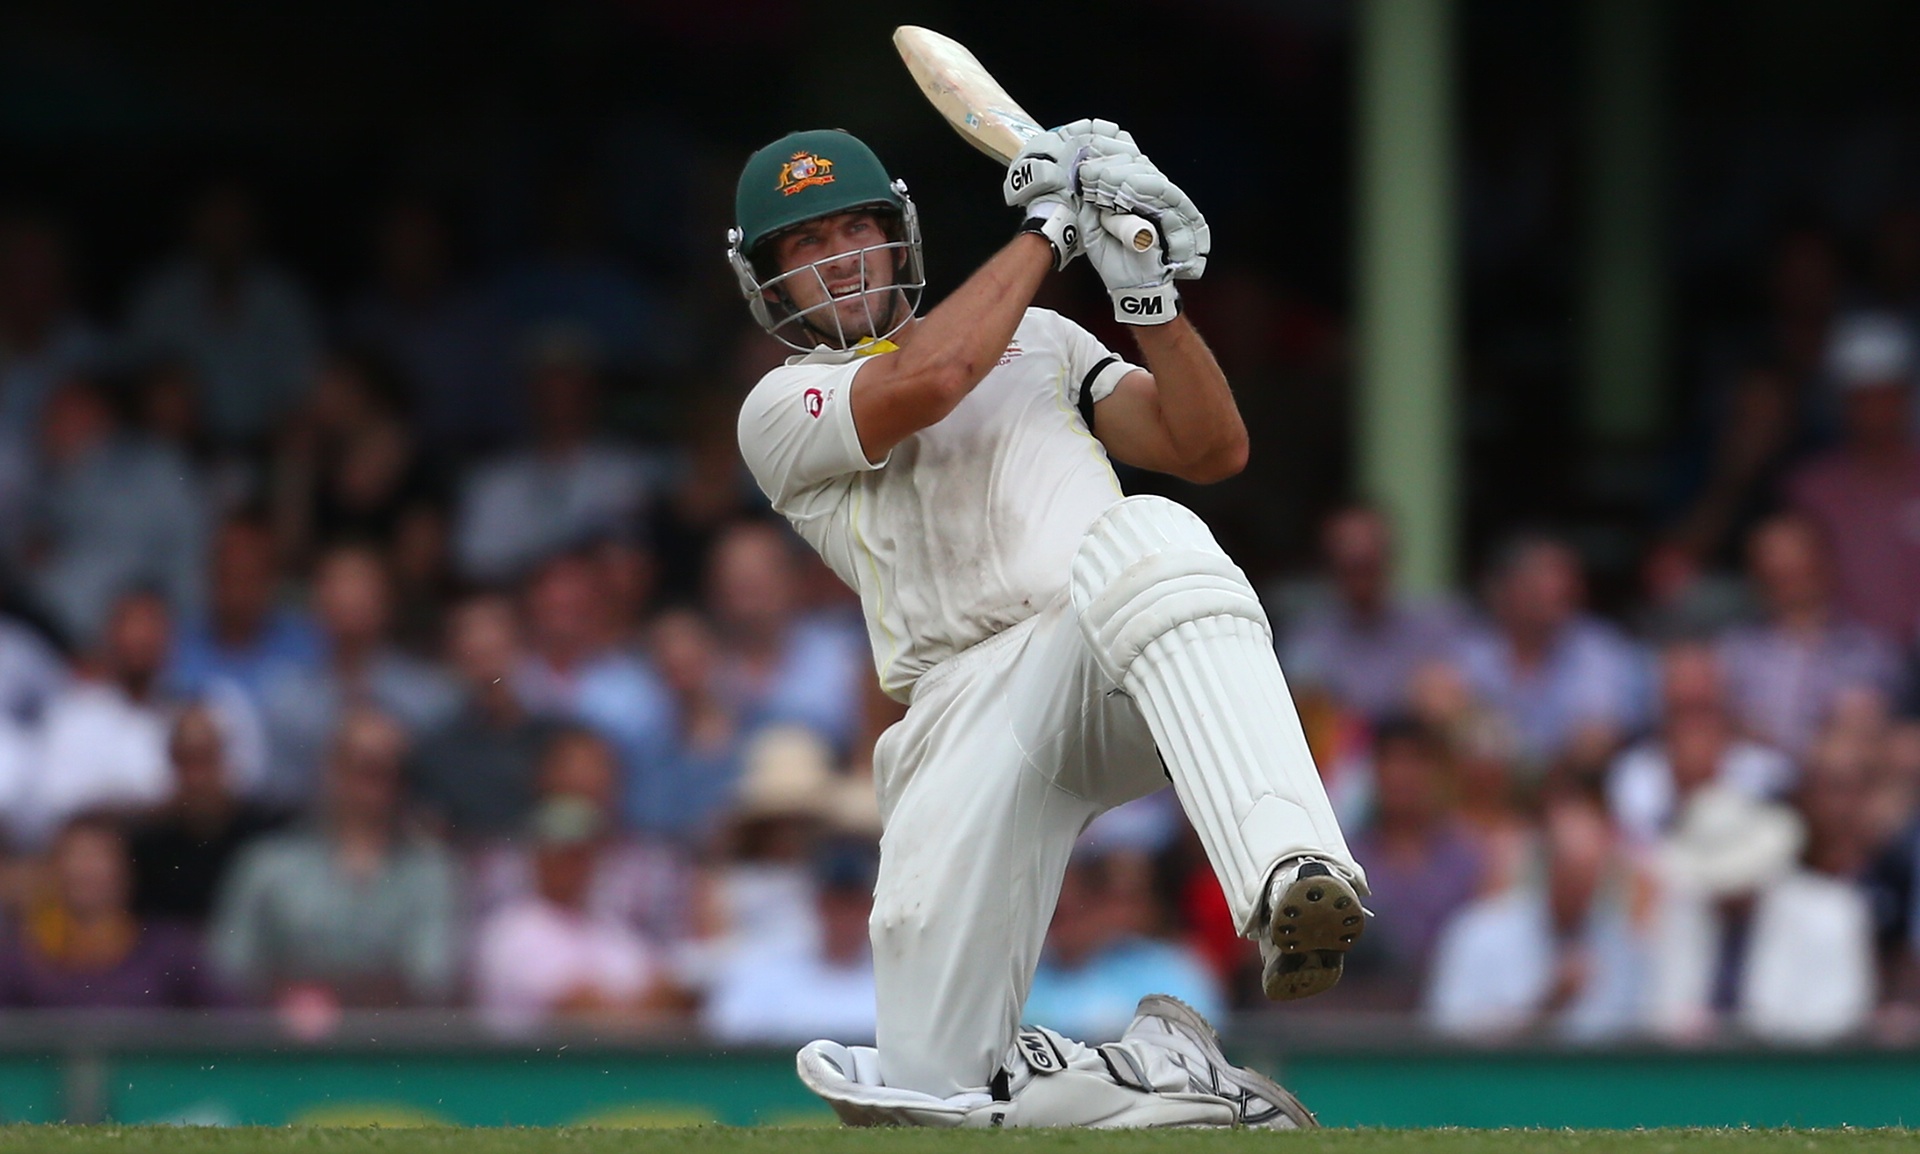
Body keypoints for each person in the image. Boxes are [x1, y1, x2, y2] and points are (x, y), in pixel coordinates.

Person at [730, 124, 1335, 1128]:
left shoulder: (1045, 340)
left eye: (855, 228)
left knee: (1153, 529)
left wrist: (1148, 297)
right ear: (771, 283)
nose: (839, 257)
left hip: (1101, 649)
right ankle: (1168, 1076)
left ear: (898, 236)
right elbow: (929, 382)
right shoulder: (780, 407)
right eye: (806, 245)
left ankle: (1291, 872)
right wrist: (1057, 228)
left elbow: (1209, 445)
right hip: (955, 714)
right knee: (935, 1092)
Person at [210, 708, 460, 1009]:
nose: (379, 785)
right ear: (330, 769)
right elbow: (228, 974)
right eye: (365, 767)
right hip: (278, 1045)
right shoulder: (264, 865)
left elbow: (431, 979)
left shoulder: (432, 871)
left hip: (392, 1046)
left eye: (393, 771)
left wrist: (322, 997)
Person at [1425, 792, 1649, 1041]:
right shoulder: (1479, 933)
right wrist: (1546, 1007)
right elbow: (1448, 1036)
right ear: (1549, 868)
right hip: (1496, 1078)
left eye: (1591, 878)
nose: (1581, 892)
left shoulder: (1621, 946)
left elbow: (1633, 1040)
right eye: (1571, 877)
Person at [471, 796, 675, 1033]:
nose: (577, 865)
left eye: (585, 854)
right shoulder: (512, 929)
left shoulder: (609, 927)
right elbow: (584, 1014)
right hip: (535, 1068)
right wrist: (648, 1007)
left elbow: (671, 993)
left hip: (609, 1066)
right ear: (538, 857)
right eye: (565, 853)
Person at [1454, 537, 1649, 771]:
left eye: (1565, 586)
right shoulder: (1474, 648)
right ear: (1508, 588)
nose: (1557, 592)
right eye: (1538, 585)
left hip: (1567, 788)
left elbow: (1595, 740)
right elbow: (1448, 710)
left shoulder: (1599, 650)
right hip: (1486, 787)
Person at [1718, 514, 1901, 759]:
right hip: (1753, 779)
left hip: (1841, 778)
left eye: (1796, 569)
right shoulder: (1733, 650)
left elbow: (1879, 733)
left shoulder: (1871, 651)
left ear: (1825, 565)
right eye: (1775, 571)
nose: (1785, 576)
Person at [1785, 313, 1920, 646]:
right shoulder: (1812, 486)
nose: (1875, 409)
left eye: (1886, 395)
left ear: (1905, 396)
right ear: (1842, 401)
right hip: (1843, 661)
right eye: (1863, 397)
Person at [0, 813, 227, 1008]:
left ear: (127, 870)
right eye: (74, 857)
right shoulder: (19, 961)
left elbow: (237, 1026)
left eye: (99, 858)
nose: (86, 871)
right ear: (51, 871)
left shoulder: (172, 952)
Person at [1279, 505, 1463, 720]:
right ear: (1329, 564)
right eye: (1351, 566)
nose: (1361, 579)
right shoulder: (1307, 639)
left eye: (1368, 565)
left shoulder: (1433, 628)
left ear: (1389, 558)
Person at [704, 839, 882, 1046]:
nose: (845, 915)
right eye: (834, 902)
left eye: (855, 904)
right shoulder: (763, 969)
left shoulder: (897, 979)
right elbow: (726, 1041)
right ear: (817, 903)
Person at [126, 704, 287, 924]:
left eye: (205, 759)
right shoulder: (147, 846)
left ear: (225, 758)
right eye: (186, 761)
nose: (196, 778)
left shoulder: (263, 835)